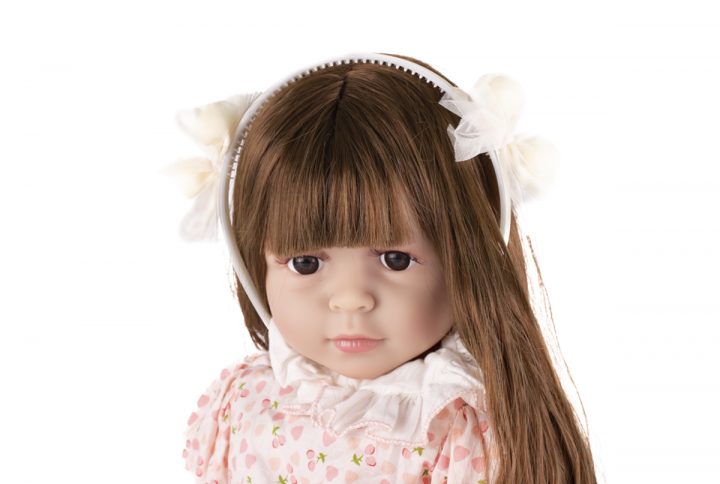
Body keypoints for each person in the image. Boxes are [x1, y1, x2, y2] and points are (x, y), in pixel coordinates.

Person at [165, 52, 597, 483]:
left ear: (467, 258)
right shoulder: (246, 398)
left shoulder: (456, 426)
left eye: (396, 259)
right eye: (305, 263)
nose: (351, 298)